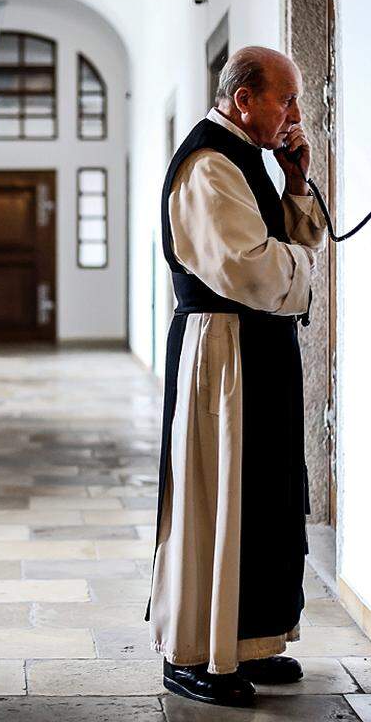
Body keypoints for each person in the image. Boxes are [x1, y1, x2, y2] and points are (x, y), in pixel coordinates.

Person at [146, 46, 326, 707]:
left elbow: (284, 245)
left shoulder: (247, 156)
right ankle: (192, 652)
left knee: (260, 499)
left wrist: (298, 183)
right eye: (286, 100)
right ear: (243, 99)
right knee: (214, 499)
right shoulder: (208, 163)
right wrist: (301, 266)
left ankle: (246, 639)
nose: (296, 115)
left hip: (255, 348)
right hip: (221, 351)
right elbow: (251, 268)